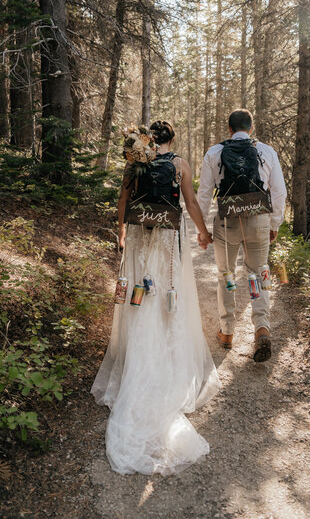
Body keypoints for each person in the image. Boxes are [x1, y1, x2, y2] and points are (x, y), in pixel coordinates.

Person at [91, 121, 220, 476]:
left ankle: (136, 351)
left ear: (148, 140)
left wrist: (120, 231)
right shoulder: (180, 165)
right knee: (165, 288)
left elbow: (123, 200)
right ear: (172, 140)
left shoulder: (135, 164)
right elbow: (191, 202)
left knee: (139, 289)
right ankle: (165, 347)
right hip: (168, 235)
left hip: (139, 232)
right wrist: (204, 233)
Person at [197, 109, 287, 362]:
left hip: (227, 221)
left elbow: (204, 194)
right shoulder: (267, 152)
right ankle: (262, 327)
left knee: (226, 273)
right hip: (258, 218)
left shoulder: (214, 152)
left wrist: (202, 230)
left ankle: (226, 332)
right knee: (258, 272)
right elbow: (279, 192)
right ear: (251, 127)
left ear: (228, 129)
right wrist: (274, 223)